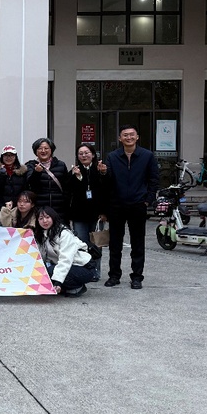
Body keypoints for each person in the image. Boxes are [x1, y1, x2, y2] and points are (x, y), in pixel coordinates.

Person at [102, 124, 159, 290]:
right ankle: (114, 275)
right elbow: (107, 182)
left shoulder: (147, 156)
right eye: (125, 135)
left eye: (131, 134)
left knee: (138, 243)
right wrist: (103, 173)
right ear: (120, 138)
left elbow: (154, 179)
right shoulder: (112, 157)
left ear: (137, 137)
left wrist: (148, 200)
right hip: (117, 205)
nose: (129, 137)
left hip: (138, 205)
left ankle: (137, 277)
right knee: (115, 243)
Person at [35, 207, 93, 297]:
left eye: (47, 217)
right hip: (64, 266)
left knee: (51, 270)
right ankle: (62, 287)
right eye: (41, 218)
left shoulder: (64, 233)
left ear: (53, 217)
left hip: (83, 267)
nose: (44, 221)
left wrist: (58, 281)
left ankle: (77, 287)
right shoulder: (42, 234)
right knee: (43, 270)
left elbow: (66, 259)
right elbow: (41, 257)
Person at [68, 143, 106, 281]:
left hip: (97, 215)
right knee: (81, 244)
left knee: (97, 244)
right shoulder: (74, 171)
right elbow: (70, 190)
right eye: (80, 153)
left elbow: (107, 190)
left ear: (93, 154)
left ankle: (96, 271)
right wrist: (77, 177)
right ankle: (84, 271)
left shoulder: (100, 169)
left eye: (87, 152)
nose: (84, 155)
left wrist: (104, 212)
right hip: (79, 215)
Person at [25, 137, 69, 220]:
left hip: (59, 209)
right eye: (40, 148)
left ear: (51, 150)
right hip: (40, 209)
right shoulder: (30, 165)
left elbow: (66, 187)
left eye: (46, 148)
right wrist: (37, 173)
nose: (43, 151)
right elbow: (31, 185)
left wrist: (65, 203)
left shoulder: (61, 165)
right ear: (35, 151)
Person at [0, 144, 27, 214]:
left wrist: (14, 202)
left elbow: (24, 191)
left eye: (11, 155)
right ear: (2, 157)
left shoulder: (22, 173)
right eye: (6, 155)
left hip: (17, 209)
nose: (8, 158)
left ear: (15, 157)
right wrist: (2, 175)